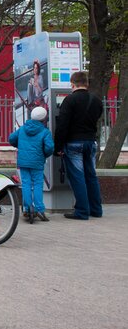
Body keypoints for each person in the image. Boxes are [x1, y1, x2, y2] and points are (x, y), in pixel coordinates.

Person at [54, 71, 104, 220]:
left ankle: (82, 211)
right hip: (90, 142)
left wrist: (58, 147)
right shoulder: (96, 100)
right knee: (91, 176)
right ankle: (96, 209)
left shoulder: (69, 100)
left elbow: (62, 125)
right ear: (87, 83)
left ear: (72, 83)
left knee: (77, 177)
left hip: (74, 143)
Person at [9, 106, 54, 222]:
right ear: (44, 118)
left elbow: (11, 138)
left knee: (26, 184)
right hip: (38, 161)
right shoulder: (45, 132)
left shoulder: (23, 128)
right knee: (38, 184)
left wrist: (19, 146)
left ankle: (28, 209)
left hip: (23, 161)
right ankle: (39, 209)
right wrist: (44, 154)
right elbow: (50, 147)